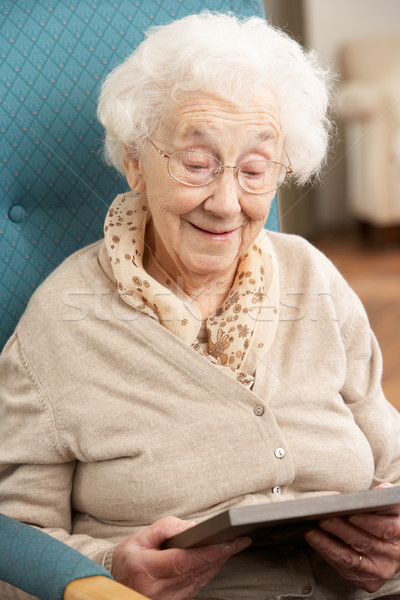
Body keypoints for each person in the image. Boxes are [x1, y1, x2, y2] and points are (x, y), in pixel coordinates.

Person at [1, 10, 400, 600]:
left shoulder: (311, 274)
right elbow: (16, 544)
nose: (226, 202)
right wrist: (110, 566)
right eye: (196, 164)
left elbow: (389, 463)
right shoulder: (62, 321)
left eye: (256, 169)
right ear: (135, 161)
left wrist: (390, 552)